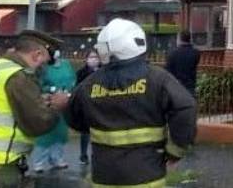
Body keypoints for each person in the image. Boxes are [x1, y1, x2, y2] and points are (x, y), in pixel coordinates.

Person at [66, 19, 197, 188]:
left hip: (104, 177)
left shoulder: (89, 84)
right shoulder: (157, 78)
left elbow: (73, 116)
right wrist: (176, 150)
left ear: (106, 48)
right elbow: (185, 108)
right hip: (147, 177)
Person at [0, 30, 70, 188]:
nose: (43, 69)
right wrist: (58, 106)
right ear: (36, 54)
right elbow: (38, 123)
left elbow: (0, 105)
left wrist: (37, 101)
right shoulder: (19, 76)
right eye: (43, 63)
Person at [31, 50, 76, 173]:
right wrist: (52, 89)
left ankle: (57, 159)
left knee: (60, 133)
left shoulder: (66, 64)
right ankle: (38, 162)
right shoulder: (44, 67)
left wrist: (69, 90)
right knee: (46, 134)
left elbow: (73, 79)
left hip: (64, 102)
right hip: (50, 102)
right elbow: (39, 84)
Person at [75, 49, 101, 165]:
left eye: (96, 57)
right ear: (86, 59)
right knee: (85, 132)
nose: (94, 59)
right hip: (86, 104)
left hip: (100, 105)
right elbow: (77, 88)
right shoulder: (81, 73)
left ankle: (97, 155)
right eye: (91, 57)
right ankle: (83, 155)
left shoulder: (103, 71)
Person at [165, 31, 200, 95]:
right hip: (190, 86)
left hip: (176, 86)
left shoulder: (172, 53)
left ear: (180, 39)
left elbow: (168, 71)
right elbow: (195, 65)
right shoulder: (196, 53)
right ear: (190, 39)